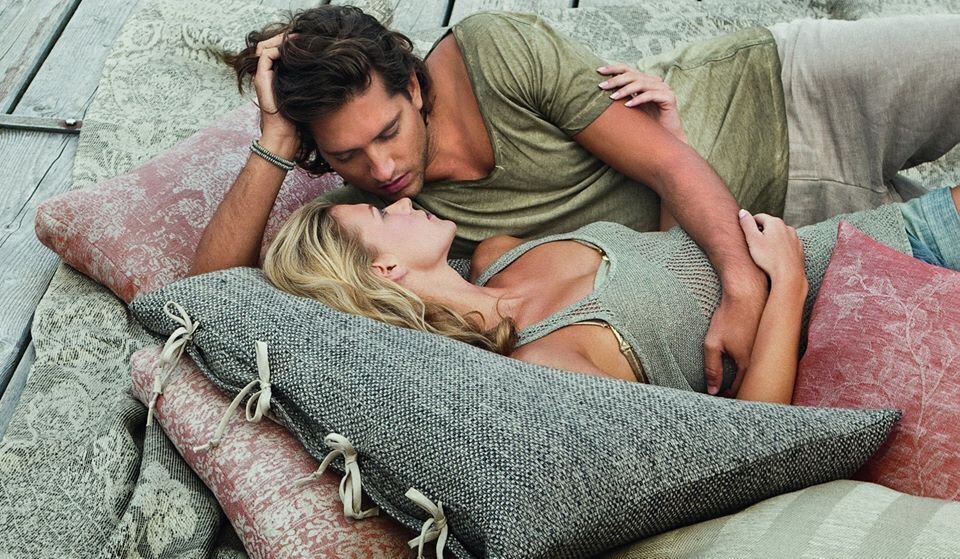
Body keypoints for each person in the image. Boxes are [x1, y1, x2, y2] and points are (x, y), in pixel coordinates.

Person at [192, 5, 960, 394]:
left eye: (389, 132)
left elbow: (667, 165)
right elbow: (205, 298)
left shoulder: (492, 52)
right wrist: (275, 139)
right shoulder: (403, 232)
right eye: (348, 156)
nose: (383, 168)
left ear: (415, 88)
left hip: (786, 93)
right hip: (803, 221)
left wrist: (747, 284)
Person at [262, 185, 960, 403]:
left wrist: (671, 136)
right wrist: (788, 284)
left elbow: (668, 270)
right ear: (385, 270)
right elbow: (755, 432)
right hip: (892, 297)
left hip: (881, 232)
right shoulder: (546, 365)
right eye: (381, 214)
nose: (401, 200)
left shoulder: (502, 255)